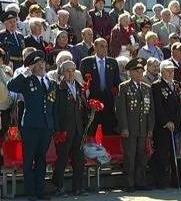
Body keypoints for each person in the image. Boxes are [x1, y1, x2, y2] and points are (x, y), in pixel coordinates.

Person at [7, 50, 55, 200]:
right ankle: (30, 193)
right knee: (29, 160)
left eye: (42, 62)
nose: (41, 65)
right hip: (31, 126)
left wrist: (54, 126)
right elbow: (11, 86)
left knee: (42, 160)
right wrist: (26, 73)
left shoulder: (50, 82)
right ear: (31, 67)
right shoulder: (28, 81)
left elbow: (53, 106)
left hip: (46, 126)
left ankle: (40, 192)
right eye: (37, 63)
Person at [116, 57, 155, 192]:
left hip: (143, 128)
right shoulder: (124, 87)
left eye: (141, 71)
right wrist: (124, 127)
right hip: (130, 129)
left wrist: (150, 128)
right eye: (137, 71)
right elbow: (121, 110)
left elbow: (150, 110)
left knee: (142, 156)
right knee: (130, 156)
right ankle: (129, 183)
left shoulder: (146, 88)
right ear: (130, 73)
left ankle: (140, 182)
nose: (140, 74)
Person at [51, 60, 88, 197]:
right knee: (62, 159)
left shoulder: (79, 87)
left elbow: (83, 108)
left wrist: (85, 125)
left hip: (78, 129)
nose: (71, 73)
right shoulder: (58, 88)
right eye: (68, 70)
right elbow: (54, 111)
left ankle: (78, 187)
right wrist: (57, 130)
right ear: (62, 72)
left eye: (73, 70)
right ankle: (58, 186)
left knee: (79, 159)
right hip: (64, 130)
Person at [152, 60, 181, 189]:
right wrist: (166, 121)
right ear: (161, 71)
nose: (171, 73)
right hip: (163, 126)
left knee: (176, 153)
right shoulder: (157, 86)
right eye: (168, 70)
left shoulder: (177, 85)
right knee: (162, 154)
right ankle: (161, 182)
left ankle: (176, 181)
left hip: (176, 124)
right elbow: (158, 107)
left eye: (172, 70)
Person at [79, 38, 121, 135]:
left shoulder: (113, 62)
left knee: (109, 131)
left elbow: (117, 82)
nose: (105, 49)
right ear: (95, 47)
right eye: (102, 46)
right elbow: (82, 83)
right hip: (92, 102)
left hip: (108, 102)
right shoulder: (86, 62)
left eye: (106, 46)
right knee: (90, 131)